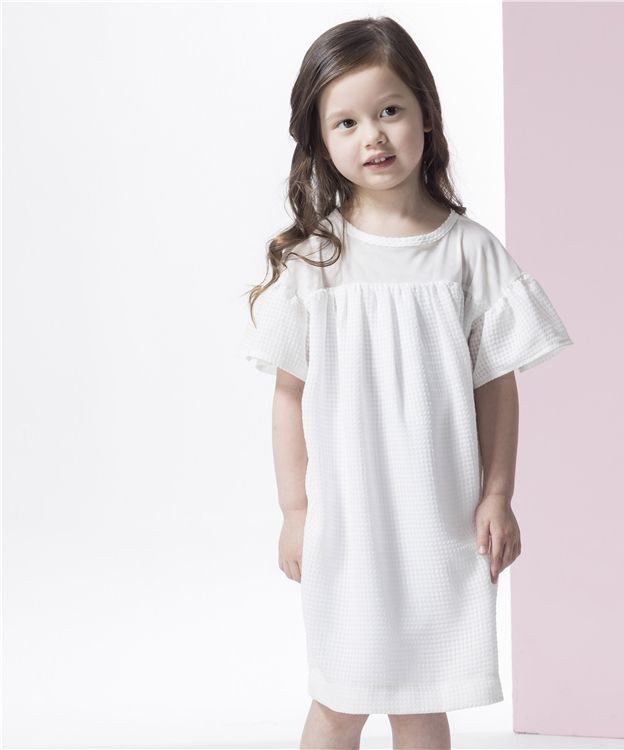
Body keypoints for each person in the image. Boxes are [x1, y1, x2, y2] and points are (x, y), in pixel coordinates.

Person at [242, 15, 574, 750]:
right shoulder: (318, 261)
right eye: (347, 122)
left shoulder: (469, 252)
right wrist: (295, 512)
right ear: (320, 140)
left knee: (422, 701)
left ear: (425, 112)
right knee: (339, 697)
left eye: (389, 110)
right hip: (348, 523)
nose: (374, 136)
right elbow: (289, 396)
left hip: (438, 519)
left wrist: (497, 495)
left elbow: (497, 386)